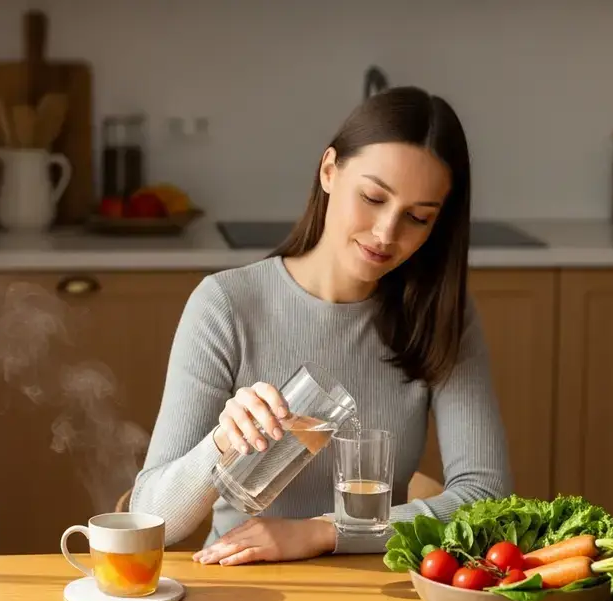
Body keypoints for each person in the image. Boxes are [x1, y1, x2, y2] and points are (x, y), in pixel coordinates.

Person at [129, 85, 512, 566]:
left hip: (378, 591)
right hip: (243, 592)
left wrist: (323, 533)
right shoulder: (226, 305)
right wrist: (222, 442)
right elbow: (149, 522)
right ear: (329, 170)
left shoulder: (437, 316)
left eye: (417, 217)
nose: (386, 233)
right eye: (373, 197)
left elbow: (486, 497)